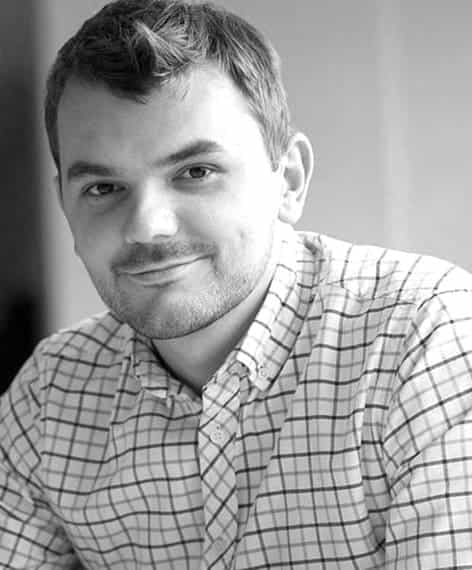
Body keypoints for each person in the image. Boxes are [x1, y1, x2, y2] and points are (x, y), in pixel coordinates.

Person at [1, 0, 472, 568]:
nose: (147, 225)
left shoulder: (426, 340)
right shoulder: (50, 395)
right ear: (64, 205)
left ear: (289, 180)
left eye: (195, 172)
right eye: (102, 188)